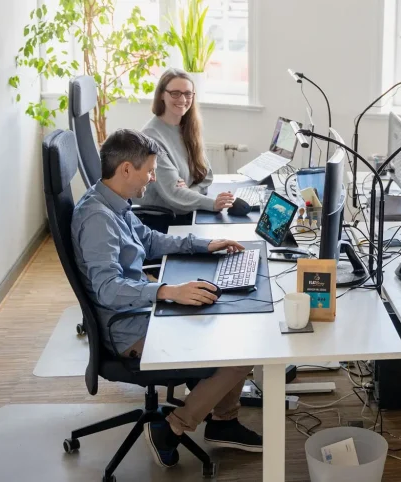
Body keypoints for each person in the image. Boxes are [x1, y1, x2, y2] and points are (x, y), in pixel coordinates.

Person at [71, 129, 262, 468]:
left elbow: (151, 241)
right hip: (128, 330)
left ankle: (223, 422)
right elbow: (107, 289)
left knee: (227, 314)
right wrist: (166, 291)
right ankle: (176, 426)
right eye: (150, 170)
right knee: (240, 347)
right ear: (127, 169)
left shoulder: (113, 202)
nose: (154, 177)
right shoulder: (97, 218)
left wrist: (205, 245)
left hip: (138, 310)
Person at [140, 68, 234, 219]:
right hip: (163, 219)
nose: (183, 100)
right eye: (175, 93)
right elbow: (174, 194)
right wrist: (213, 204)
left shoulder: (187, 128)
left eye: (188, 93)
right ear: (162, 95)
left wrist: (190, 192)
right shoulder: (151, 138)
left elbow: (206, 175)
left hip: (187, 209)